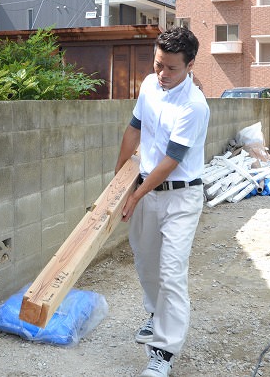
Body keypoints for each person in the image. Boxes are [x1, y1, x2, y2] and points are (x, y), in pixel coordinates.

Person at [114, 27, 209, 377]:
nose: (162, 74)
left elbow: (171, 160)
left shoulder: (194, 106)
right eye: (158, 65)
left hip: (180, 197)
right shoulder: (149, 86)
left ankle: (163, 353)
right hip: (146, 190)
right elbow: (134, 129)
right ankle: (156, 314)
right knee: (145, 262)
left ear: (190, 66)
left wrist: (135, 194)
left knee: (170, 272)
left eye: (171, 69)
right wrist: (119, 181)